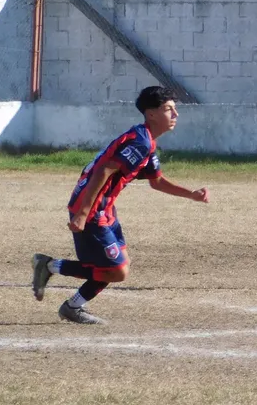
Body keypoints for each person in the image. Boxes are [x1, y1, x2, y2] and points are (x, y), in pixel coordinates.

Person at [30, 86, 210, 325]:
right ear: (151, 113)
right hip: (93, 209)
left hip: (105, 208)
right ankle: (51, 268)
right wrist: (83, 213)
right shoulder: (140, 142)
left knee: (115, 264)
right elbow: (104, 170)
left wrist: (192, 194)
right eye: (169, 109)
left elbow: (157, 182)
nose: (175, 115)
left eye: (175, 109)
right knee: (117, 270)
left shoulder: (146, 141)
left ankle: (71, 303)